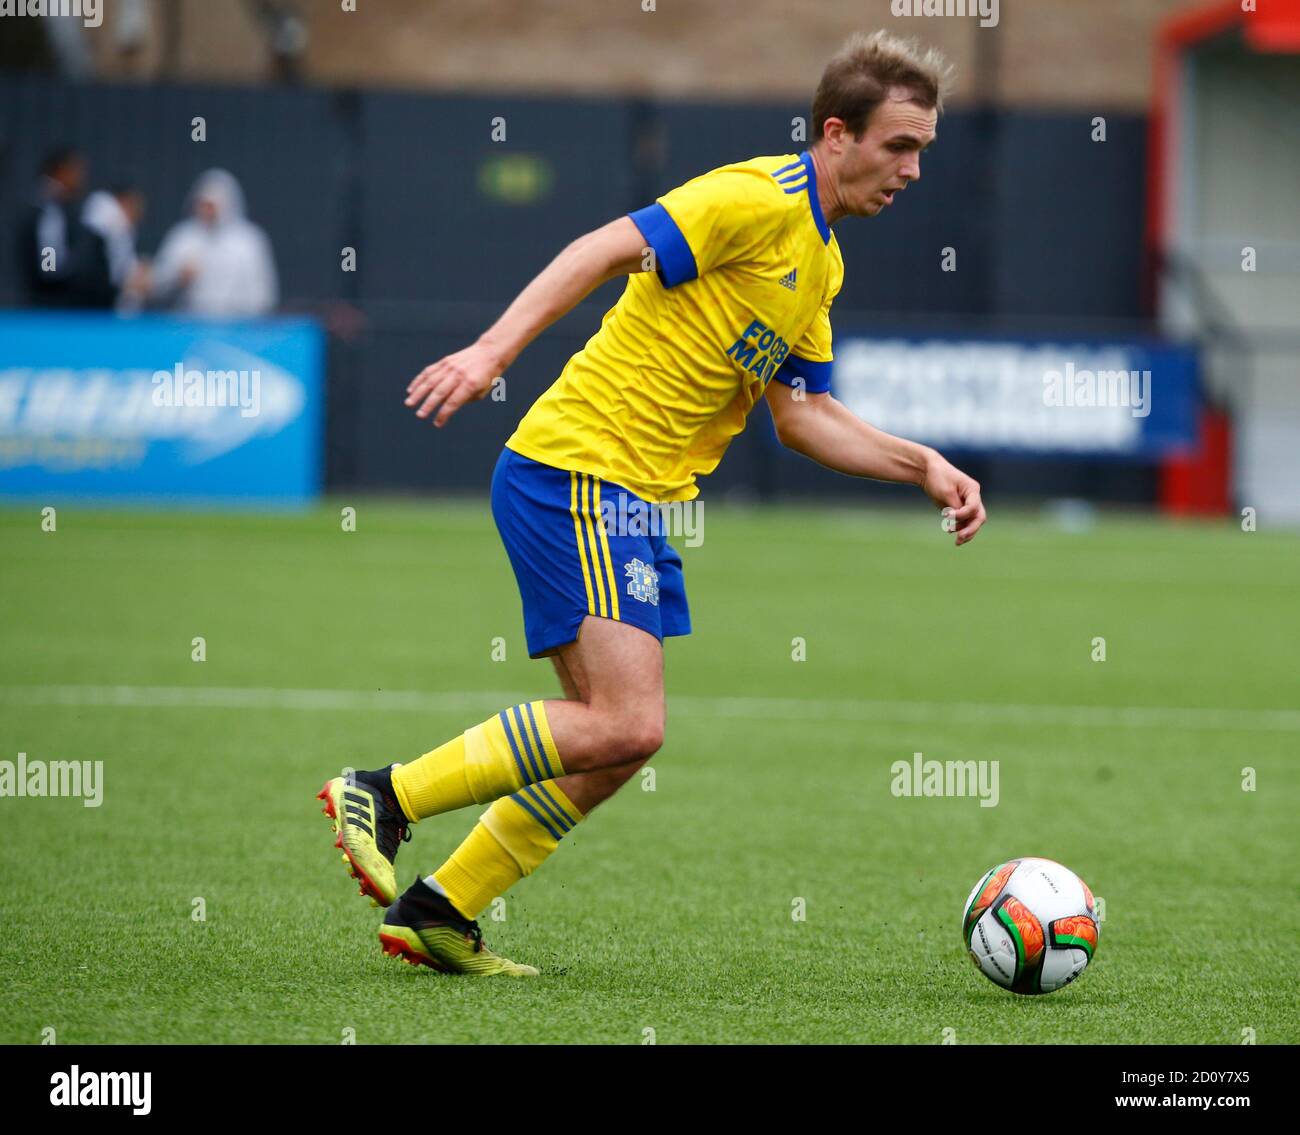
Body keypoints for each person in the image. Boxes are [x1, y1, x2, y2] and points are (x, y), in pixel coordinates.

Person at [318, 30, 987, 977]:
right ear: (836, 134)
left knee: (609, 744)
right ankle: (381, 794)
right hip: (582, 471)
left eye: (923, 149)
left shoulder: (822, 261)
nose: (913, 169)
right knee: (630, 722)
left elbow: (802, 416)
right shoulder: (757, 197)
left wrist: (920, 464)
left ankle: (440, 908)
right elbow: (603, 246)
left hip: (630, 498)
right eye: (900, 146)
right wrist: (492, 353)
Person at [150, 168, 277, 317]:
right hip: (190, 323)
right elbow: (157, 283)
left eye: (212, 206)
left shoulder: (249, 241)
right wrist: (178, 277)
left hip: (237, 325)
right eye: (203, 204)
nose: (207, 211)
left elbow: (263, 292)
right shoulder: (183, 236)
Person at [16, 146, 112, 308]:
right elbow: (49, 263)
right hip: (51, 305)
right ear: (61, 171)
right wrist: (58, 275)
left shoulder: (58, 208)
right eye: (76, 171)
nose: (81, 178)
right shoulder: (48, 210)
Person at [80, 183, 148, 311]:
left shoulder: (122, 229)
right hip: (87, 298)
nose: (139, 212)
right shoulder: (111, 221)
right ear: (125, 201)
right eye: (136, 205)